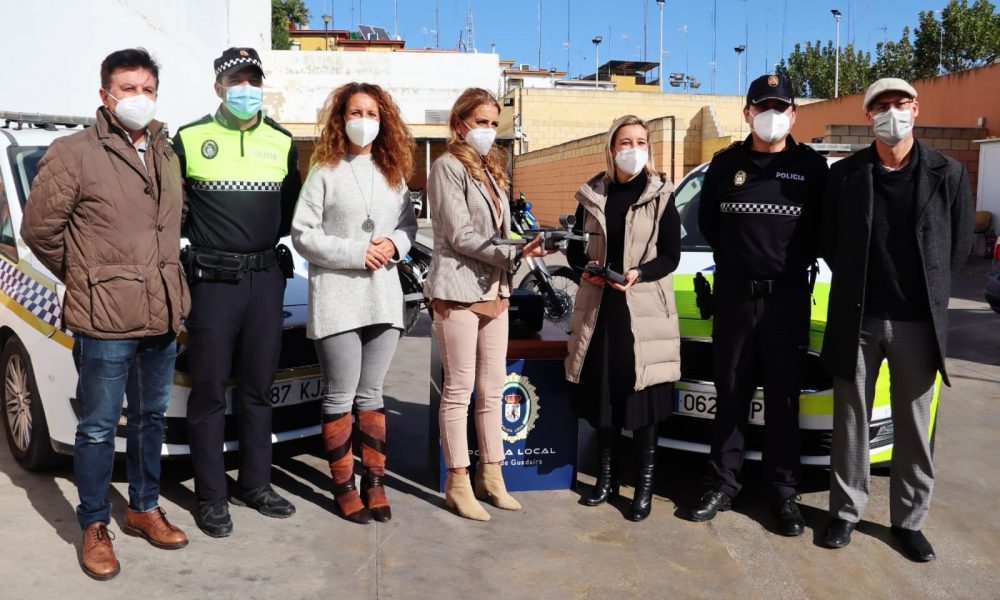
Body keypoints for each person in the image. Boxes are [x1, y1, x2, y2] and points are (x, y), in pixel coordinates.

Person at [21, 48, 190, 580]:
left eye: (146, 88)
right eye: (127, 88)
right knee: (96, 427)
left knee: (151, 419)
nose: (138, 97)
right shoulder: (73, 152)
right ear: (105, 96)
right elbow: (39, 230)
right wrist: (89, 275)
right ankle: (94, 523)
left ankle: (142, 507)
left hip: (161, 312)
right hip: (104, 318)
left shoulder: (165, 149)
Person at [820, 78, 973, 561]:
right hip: (859, 316)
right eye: (881, 106)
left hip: (917, 322)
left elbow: (959, 245)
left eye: (899, 104)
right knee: (851, 421)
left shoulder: (947, 172)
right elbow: (829, 240)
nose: (891, 113)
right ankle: (845, 512)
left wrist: (927, 290)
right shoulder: (846, 175)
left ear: (915, 109)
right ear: (869, 117)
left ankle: (909, 521)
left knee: (914, 423)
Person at [688, 74, 828, 536]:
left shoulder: (811, 168)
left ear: (793, 114)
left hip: (787, 302)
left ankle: (784, 493)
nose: (772, 115)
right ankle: (723, 484)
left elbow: (825, 231)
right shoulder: (724, 165)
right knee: (731, 395)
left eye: (781, 107)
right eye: (762, 106)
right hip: (733, 299)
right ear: (747, 113)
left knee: (784, 400)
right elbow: (708, 224)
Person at [173, 47, 301, 537]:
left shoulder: (282, 142)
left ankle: (255, 484)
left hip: (266, 279)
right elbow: (174, 210)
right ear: (218, 87)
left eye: (253, 80)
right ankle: (211, 496)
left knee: (258, 389)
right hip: (213, 283)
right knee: (206, 392)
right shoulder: (189, 138)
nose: (245, 89)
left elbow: (288, 212)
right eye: (236, 81)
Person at [291, 83, 417, 524]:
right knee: (341, 393)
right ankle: (343, 485)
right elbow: (303, 234)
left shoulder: (392, 171)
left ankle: (375, 482)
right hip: (338, 296)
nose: (364, 120)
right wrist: (356, 251)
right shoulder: (323, 170)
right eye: (356, 111)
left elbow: (409, 225)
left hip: (383, 296)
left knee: (372, 393)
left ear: (384, 120)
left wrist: (394, 244)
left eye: (372, 112)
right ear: (340, 118)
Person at [424, 88, 552, 521]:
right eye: (480, 121)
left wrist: (525, 245)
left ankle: (491, 475)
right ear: (460, 122)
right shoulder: (447, 167)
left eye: (494, 123)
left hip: (495, 291)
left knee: (492, 389)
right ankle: (458, 480)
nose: (488, 130)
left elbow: (498, 232)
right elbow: (460, 235)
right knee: (459, 390)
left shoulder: (490, 171)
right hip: (457, 292)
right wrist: (516, 252)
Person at [564, 115, 682, 522]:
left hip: (644, 310)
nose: (634, 148)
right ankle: (605, 479)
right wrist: (587, 265)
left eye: (641, 141)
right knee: (606, 399)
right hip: (602, 311)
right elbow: (575, 248)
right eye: (625, 141)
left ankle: (644, 488)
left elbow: (671, 255)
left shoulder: (662, 195)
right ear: (611, 148)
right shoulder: (593, 193)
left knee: (644, 402)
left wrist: (638, 275)